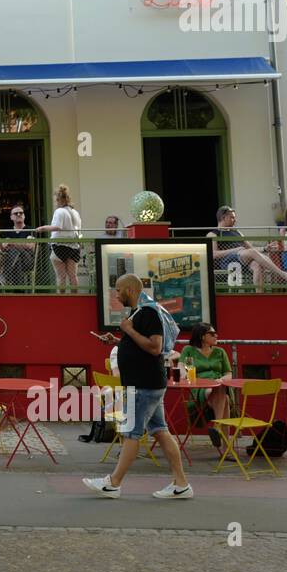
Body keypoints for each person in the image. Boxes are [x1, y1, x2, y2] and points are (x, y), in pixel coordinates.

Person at [84, 274, 193, 499]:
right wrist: (118, 341)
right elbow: (140, 344)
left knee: (131, 434)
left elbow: (155, 347)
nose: (116, 295)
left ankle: (113, 483)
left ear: (131, 290)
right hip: (147, 383)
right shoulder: (139, 312)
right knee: (161, 431)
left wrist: (129, 331)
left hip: (143, 385)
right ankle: (181, 484)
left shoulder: (148, 312)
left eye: (118, 290)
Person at [208, 206, 287, 291]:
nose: (235, 220)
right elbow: (213, 254)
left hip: (243, 258)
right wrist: (235, 250)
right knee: (251, 253)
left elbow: (251, 249)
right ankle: (284, 275)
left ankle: (260, 297)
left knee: (257, 265)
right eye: (232, 217)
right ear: (224, 218)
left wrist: (265, 248)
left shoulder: (237, 232)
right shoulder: (213, 234)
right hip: (228, 262)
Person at [178, 322, 233, 448]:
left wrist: (221, 379)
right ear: (202, 336)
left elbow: (228, 374)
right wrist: (183, 374)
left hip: (218, 387)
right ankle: (225, 444)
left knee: (222, 393)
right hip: (199, 389)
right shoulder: (188, 350)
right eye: (212, 334)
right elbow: (181, 367)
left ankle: (218, 429)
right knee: (224, 397)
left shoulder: (220, 352)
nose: (216, 336)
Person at [34, 185, 82, 293]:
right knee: (73, 276)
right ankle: (76, 298)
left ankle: (62, 298)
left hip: (59, 246)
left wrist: (42, 228)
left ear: (58, 199)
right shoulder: (75, 213)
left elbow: (57, 226)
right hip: (74, 246)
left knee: (61, 276)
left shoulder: (60, 211)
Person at [0, 204, 37, 287]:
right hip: (13, 260)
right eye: (16, 213)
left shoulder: (30, 230)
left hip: (27, 260)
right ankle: (19, 288)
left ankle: (6, 278)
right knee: (16, 255)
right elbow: (4, 247)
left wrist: (12, 243)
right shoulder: (7, 232)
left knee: (15, 252)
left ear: (24, 216)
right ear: (11, 217)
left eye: (21, 213)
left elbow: (30, 246)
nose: (19, 215)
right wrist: (22, 244)